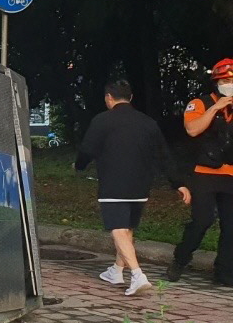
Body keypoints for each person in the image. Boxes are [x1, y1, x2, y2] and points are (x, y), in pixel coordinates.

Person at [74, 80, 190, 296]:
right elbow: (164, 155)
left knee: (118, 229)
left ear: (108, 97)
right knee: (127, 229)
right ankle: (116, 271)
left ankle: (137, 275)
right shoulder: (148, 123)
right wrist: (179, 183)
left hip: (114, 183)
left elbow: (87, 149)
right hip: (141, 185)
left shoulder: (102, 121)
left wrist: (79, 165)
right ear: (131, 98)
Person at [168, 58, 233, 285]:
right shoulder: (200, 103)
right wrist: (216, 107)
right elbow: (192, 130)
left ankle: (224, 272)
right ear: (216, 82)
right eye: (225, 80)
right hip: (205, 173)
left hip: (231, 175)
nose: (229, 84)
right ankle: (180, 259)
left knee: (231, 227)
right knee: (202, 220)